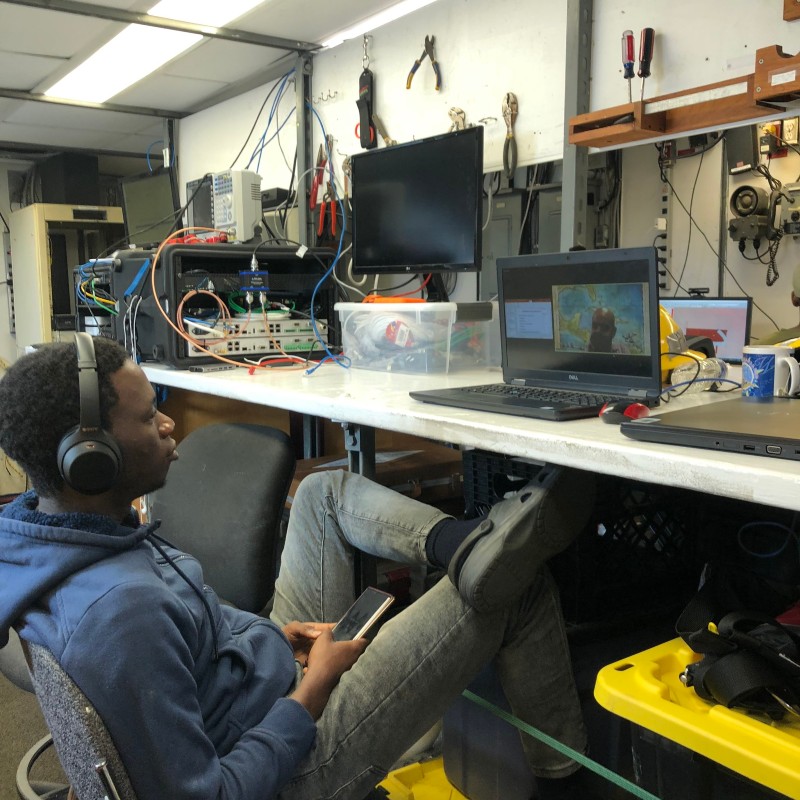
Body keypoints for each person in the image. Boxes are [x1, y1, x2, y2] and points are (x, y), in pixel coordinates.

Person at [0, 337, 599, 800]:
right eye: (148, 415)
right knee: (514, 587)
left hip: (256, 680)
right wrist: (313, 688)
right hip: (294, 765)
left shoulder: (56, 531)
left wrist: (272, 638)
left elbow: (187, 632)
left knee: (322, 494)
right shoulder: (121, 613)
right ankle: (567, 784)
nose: (168, 424)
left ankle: (455, 543)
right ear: (88, 459)